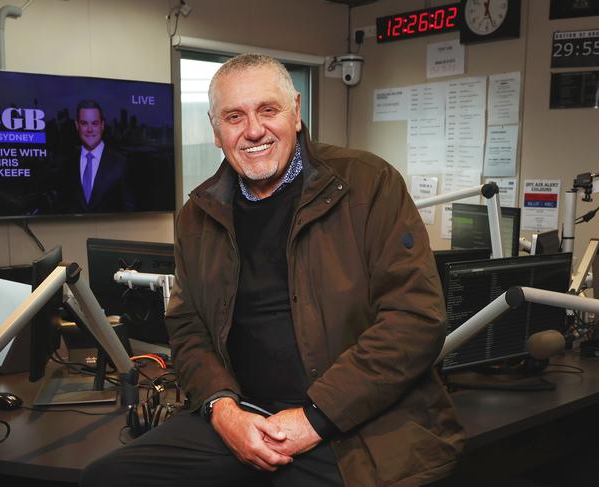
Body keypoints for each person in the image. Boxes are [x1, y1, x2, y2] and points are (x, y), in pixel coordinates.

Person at [80, 54, 464, 487]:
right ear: (215, 129)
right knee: (106, 478)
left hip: (356, 428)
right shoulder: (197, 214)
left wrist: (313, 418)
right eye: (234, 116)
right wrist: (222, 411)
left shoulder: (369, 184)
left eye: (268, 110)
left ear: (296, 112)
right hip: (243, 418)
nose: (254, 130)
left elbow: (414, 320)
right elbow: (188, 329)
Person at [60, 99, 134, 213]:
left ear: (102, 125)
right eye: (84, 123)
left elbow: (130, 209)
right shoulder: (68, 162)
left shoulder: (121, 163)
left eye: (95, 123)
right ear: (77, 125)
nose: (89, 129)